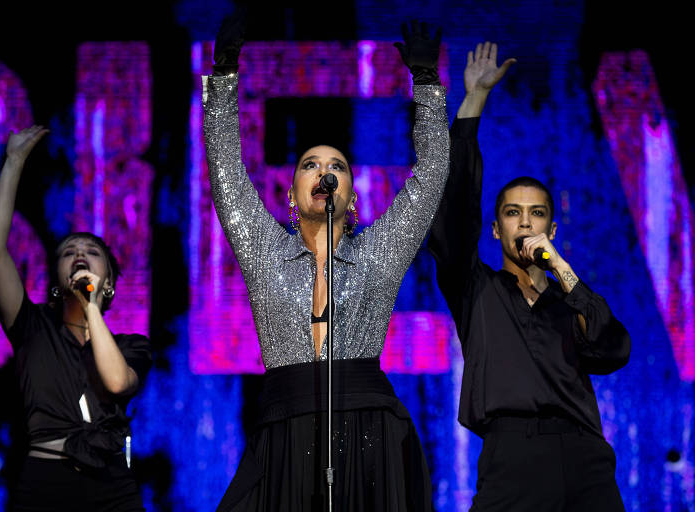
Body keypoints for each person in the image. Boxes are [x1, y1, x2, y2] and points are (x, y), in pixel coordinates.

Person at [205, 15, 449, 511]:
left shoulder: (377, 254)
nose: (324, 172)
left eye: (337, 165)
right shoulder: (262, 249)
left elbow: (430, 180)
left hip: (366, 425)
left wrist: (426, 85)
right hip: (285, 423)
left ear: (352, 197)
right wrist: (225, 77)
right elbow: (226, 168)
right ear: (291, 193)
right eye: (310, 165)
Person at [428, 42, 630, 511]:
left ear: (551, 228)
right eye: (512, 213)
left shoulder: (570, 299)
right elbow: (453, 215)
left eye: (536, 214)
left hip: (584, 458)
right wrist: (474, 101)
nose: (524, 223)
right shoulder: (475, 289)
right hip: (512, 455)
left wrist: (562, 271)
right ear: (496, 228)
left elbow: (613, 349)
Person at [0, 125, 152, 511]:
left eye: (91, 252)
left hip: (111, 482)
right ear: (55, 280)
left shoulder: (131, 345)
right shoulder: (32, 326)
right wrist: (13, 162)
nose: (79, 254)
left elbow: (116, 381)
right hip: (45, 480)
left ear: (107, 282)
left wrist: (91, 306)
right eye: (67, 251)